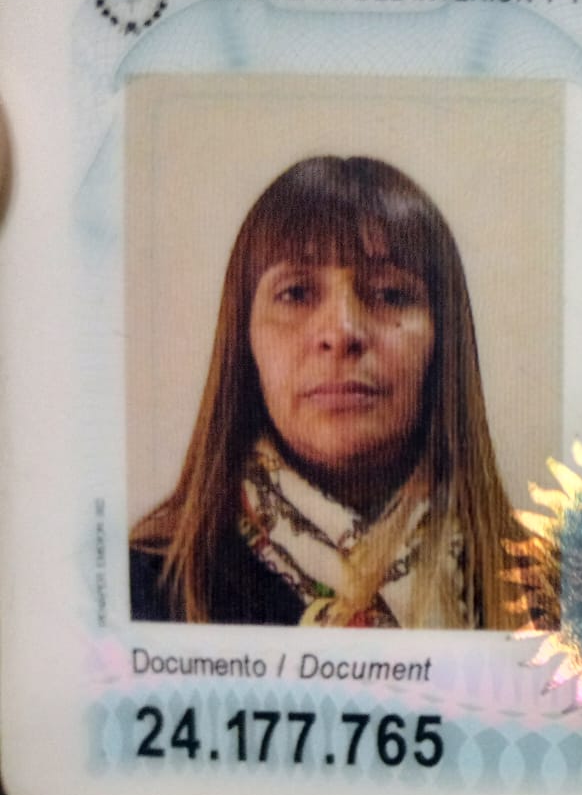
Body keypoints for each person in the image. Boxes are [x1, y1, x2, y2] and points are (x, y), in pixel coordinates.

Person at [130, 155, 540, 630]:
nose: (342, 331)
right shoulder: (145, 588)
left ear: (443, 340)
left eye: (390, 294)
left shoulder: (550, 596)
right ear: (244, 341)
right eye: (296, 293)